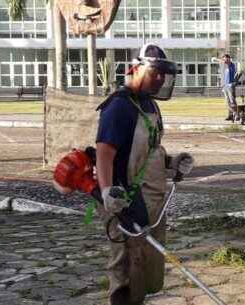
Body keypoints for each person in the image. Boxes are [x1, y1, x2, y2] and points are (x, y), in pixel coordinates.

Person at [94, 44, 194, 305]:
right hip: (123, 198)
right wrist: (106, 192)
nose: (160, 78)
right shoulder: (118, 107)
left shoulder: (149, 105)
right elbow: (104, 154)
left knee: (145, 267)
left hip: (151, 199)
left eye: (163, 74)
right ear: (136, 69)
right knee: (125, 267)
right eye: (155, 72)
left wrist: (173, 162)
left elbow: (151, 150)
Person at [219, 54, 239, 122]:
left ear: (229, 59)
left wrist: (216, 59)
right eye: (224, 59)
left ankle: (236, 114)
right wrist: (223, 86)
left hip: (231, 85)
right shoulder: (226, 67)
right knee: (228, 101)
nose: (225, 60)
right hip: (226, 85)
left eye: (226, 59)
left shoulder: (231, 65)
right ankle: (230, 115)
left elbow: (225, 62)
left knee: (232, 100)